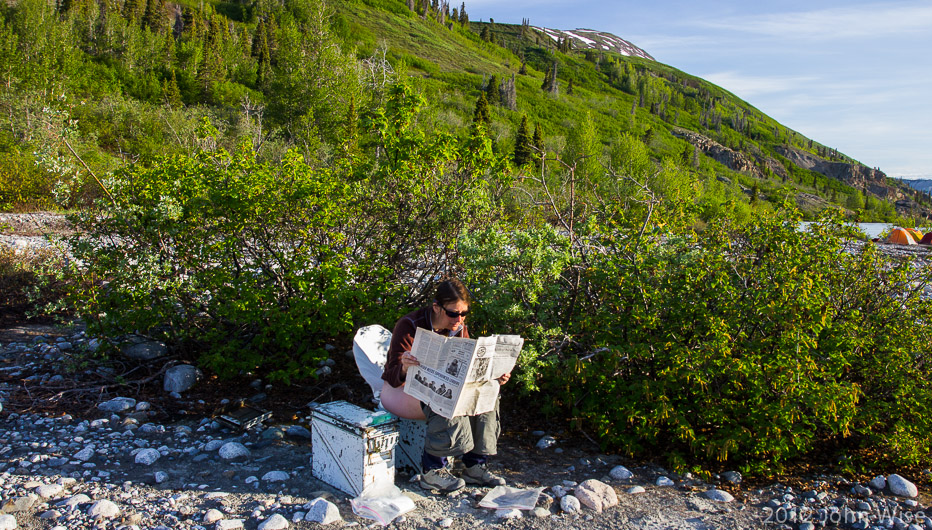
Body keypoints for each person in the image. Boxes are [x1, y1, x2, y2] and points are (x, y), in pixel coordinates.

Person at [380, 278, 511, 493]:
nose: (458, 319)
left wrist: (494, 377)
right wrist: (404, 366)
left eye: (463, 313)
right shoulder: (410, 325)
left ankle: (474, 466)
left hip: (432, 388)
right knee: (444, 396)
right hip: (399, 391)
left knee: (487, 393)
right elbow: (392, 375)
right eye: (453, 313)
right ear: (436, 308)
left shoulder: (459, 329)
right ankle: (432, 471)